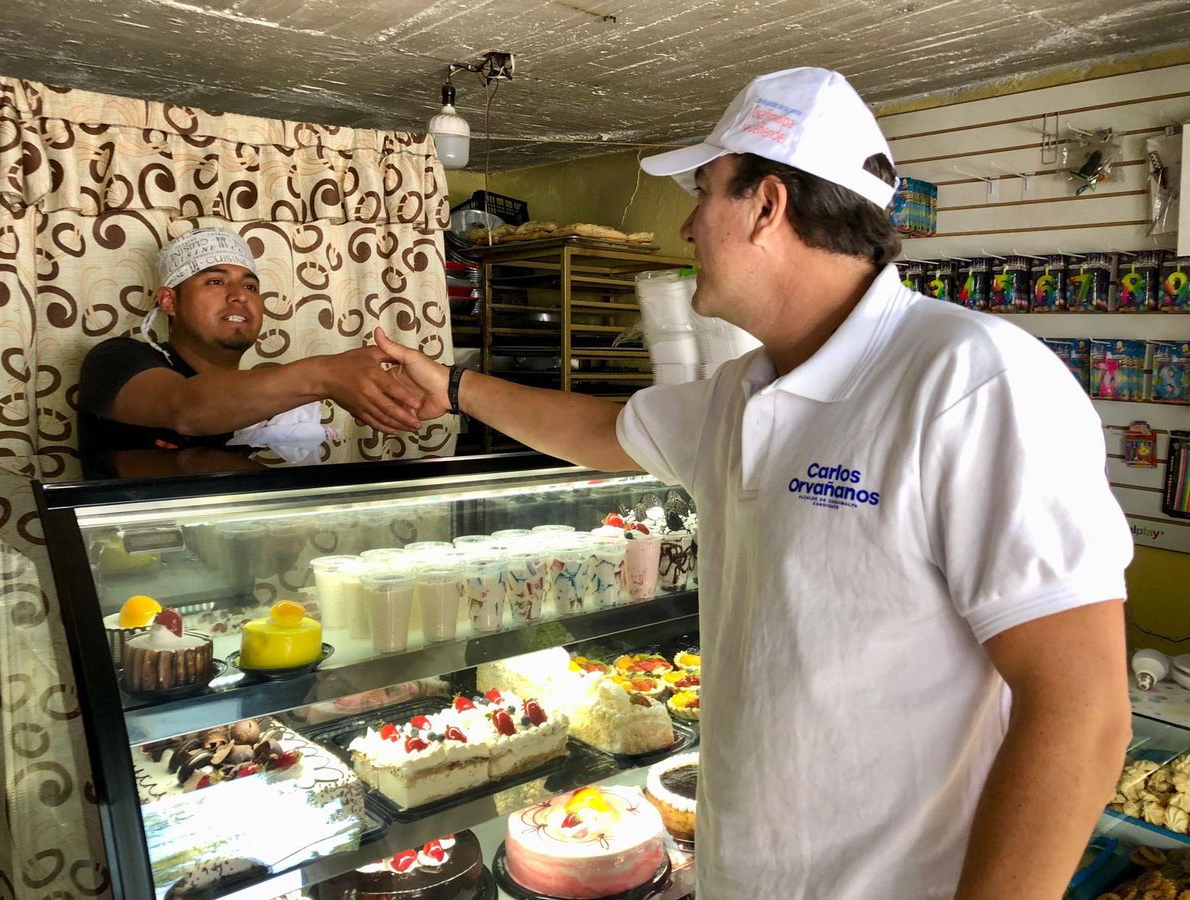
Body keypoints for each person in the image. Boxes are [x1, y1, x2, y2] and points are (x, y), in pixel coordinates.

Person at [371, 68, 1133, 898]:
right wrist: (450, 386)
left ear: (767, 206)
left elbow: (1081, 715)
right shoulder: (741, 391)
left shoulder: (971, 380)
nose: (691, 226)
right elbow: (599, 428)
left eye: (704, 194)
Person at [78, 227, 417, 466]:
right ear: (169, 301)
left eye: (251, 286)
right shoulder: (116, 358)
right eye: (215, 281)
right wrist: (323, 376)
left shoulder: (262, 391)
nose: (240, 295)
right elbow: (186, 408)